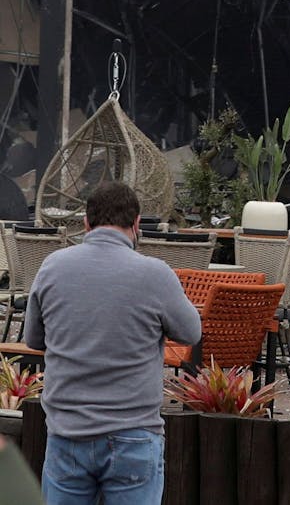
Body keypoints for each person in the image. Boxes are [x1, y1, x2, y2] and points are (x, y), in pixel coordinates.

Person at [23, 181, 201, 505]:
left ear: (87, 224)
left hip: (68, 432)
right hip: (134, 432)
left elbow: (34, 339)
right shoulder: (155, 274)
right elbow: (191, 332)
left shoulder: (52, 267)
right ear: (136, 224)